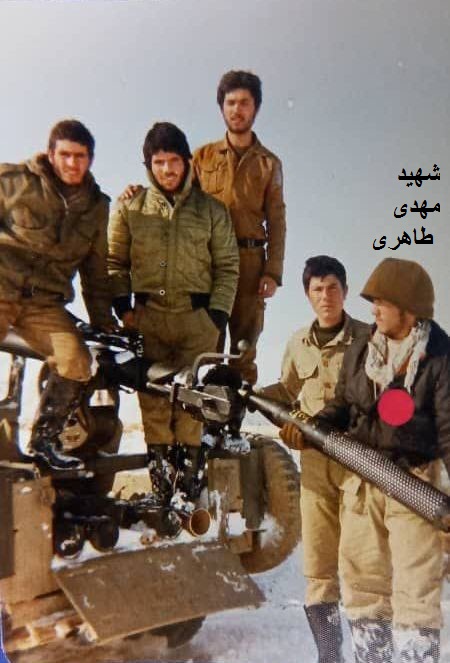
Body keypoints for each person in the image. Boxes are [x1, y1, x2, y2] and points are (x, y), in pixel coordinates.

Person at [284, 258, 449, 663]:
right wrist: (313, 427)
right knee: (362, 588)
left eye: (382, 303)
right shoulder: (364, 348)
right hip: (361, 481)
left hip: (413, 483)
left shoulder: (439, 357)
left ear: (409, 309)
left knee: (415, 591)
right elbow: (344, 404)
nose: (373, 310)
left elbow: (449, 430)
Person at [108, 122, 239, 499]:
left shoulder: (212, 211)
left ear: (187, 162)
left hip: (196, 322)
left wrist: (215, 317)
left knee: (192, 405)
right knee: (154, 403)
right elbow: (115, 262)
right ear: (149, 165)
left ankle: (190, 489)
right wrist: (124, 310)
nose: (167, 170)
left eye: (174, 161)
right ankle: (162, 489)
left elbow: (228, 267)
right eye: (159, 162)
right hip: (148, 320)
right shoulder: (130, 207)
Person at [262, 255, 369, 663]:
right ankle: (329, 656)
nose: (326, 297)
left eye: (333, 288)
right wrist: (245, 391)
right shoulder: (297, 344)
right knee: (319, 570)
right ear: (308, 295)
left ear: (345, 290)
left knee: (361, 569)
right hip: (314, 470)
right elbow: (286, 393)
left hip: (360, 468)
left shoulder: (369, 338)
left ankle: (372, 655)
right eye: (317, 290)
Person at [0, 119, 113, 470]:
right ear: (51, 155)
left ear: (90, 159)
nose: (72, 163)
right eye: (65, 155)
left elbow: (96, 273)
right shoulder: (13, 182)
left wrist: (104, 323)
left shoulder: (96, 207)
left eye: (80, 156)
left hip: (44, 304)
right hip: (2, 287)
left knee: (76, 362)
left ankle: (44, 441)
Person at [192, 70, 286, 384]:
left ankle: (237, 414)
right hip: (209, 263)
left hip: (250, 264)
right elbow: (177, 198)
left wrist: (272, 272)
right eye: (230, 102)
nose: (237, 109)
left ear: (255, 108)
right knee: (206, 346)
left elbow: (277, 220)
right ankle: (204, 415)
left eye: (245, 102)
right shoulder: (202, 157)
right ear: (222, 107)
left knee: (244, 351)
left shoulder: (269, 163)